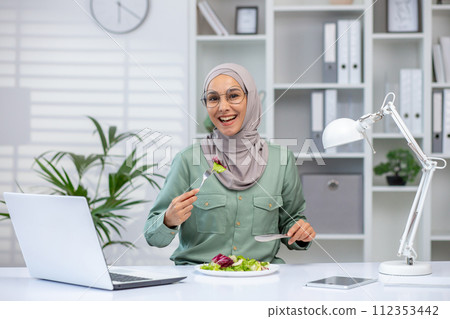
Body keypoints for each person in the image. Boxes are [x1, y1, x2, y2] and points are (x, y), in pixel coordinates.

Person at [144, 63, 315, 265]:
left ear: (250, 100)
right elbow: (152, 235)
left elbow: (291, 221)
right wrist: (168, 220)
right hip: (198, 281)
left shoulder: (282, 161)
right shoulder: (188, 161)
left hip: (260, 281)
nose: (223, 107)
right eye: (213, 98)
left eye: (233, 96)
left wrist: (300, 231)